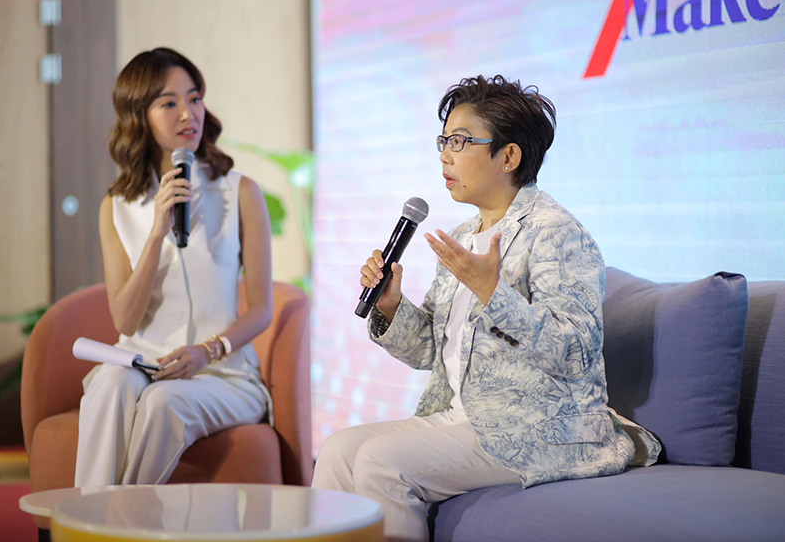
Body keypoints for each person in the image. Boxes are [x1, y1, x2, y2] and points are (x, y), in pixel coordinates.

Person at [311, 75, 661, 541]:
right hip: (463, 416)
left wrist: (493, 294)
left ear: (508, 156)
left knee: (382, 461)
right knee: (338, 450)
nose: (444, 155)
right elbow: (429, 351)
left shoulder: (556, 232)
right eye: (443, 141)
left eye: (459, 141)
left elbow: (575, 351)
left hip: (542, 426)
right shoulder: (462, 236)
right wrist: (392, 306)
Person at [74, 47, 273, 487]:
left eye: (194, 98)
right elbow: (125, 321)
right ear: (139, 117)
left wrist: (208, 351)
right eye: (169, 103)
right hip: (141, 363)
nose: (188, 113)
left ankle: (116, 519)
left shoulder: (240, 192)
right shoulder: (116, 206)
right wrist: (156, 233)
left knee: (164, 402)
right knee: (109, 385)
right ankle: (88, 517)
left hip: (223, 375)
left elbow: (262, 308)